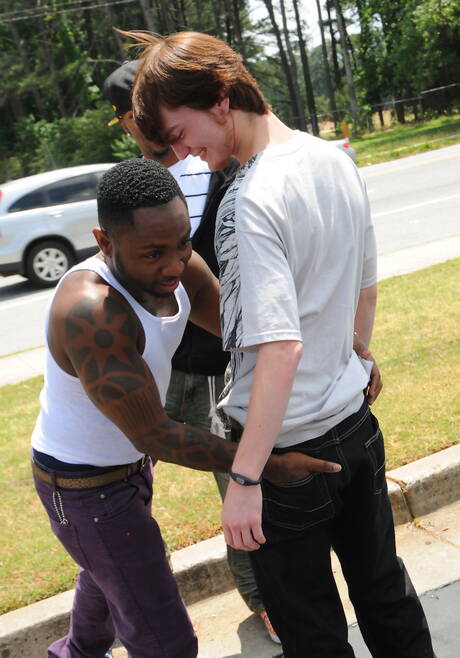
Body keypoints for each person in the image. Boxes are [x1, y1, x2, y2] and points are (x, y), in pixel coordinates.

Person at [127, 31, 435, 658]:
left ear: (220, 99)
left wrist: (244, 477)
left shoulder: (248, 199)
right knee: (385, 593)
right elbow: (364, 285)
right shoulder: (332, 159)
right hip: (355, 427)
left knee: (311, 630)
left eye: (180, 133)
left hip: (288, 453)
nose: (183, 153)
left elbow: (278, 347)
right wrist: (358, 352)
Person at [31, 158, 340, 658]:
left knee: (106, 583)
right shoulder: (93, 313)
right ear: (104, 242)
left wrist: (335, 356)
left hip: (125, 471)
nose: (174, 265)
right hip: (86, 489)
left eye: (182, 244)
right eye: (153, 253)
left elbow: (242, 333)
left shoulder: (178, 263)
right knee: (166, 642)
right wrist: (265, 465)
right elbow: (155, 434)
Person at [102, 60, 280, 642]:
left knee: (235, 475)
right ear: (126, 121)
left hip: (211, 360)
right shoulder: (132, 186)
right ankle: (102, 622)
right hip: (150, 364)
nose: (152, 127)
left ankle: (263, 598)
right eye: (138, 115)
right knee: (114, 495)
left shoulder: (208, 160)